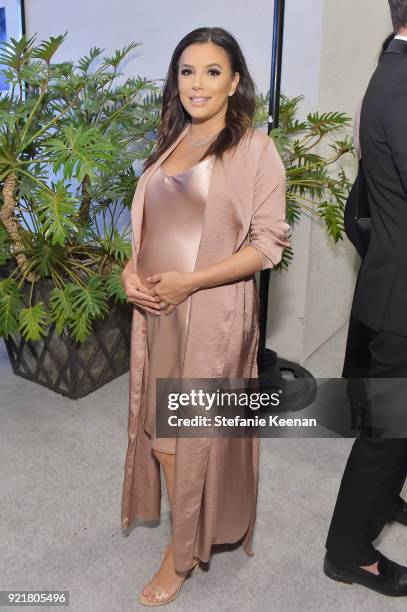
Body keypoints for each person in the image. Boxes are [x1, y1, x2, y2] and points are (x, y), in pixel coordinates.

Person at [120, 26, 290, 606]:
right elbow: (150, 228)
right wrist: (128, 270)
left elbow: (268, 245)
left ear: (235, 81)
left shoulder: (255, 149)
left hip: (210, 314)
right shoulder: (169, 140)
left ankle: (181, 552)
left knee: (185, 435)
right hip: (158, 315)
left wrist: (190, 281)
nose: (198, 83)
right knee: (159, 429)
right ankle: (187, 532)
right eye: (188, 71)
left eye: (213, 71)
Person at [324, 1, 407, 597]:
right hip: (401, 296)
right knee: (389, 432)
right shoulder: (399, 83)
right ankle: (348, 551)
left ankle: (383, 500)